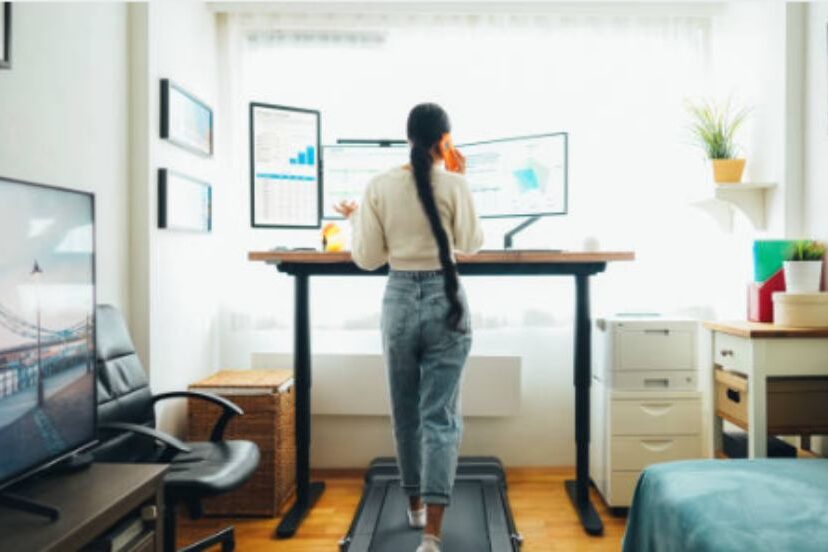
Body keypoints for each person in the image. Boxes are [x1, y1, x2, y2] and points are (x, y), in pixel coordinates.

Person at [334, 103, 483, 552]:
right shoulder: (454, 183)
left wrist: (356, 216)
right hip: (446, 300)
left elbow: (368, 258)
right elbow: (471, 244)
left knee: (405, 413)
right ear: (444, 140)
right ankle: (432, 537)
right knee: (440, 417)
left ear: (407, 137)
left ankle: (414, 507)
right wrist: (462, 181)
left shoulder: (379, 185)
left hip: (398, 301)